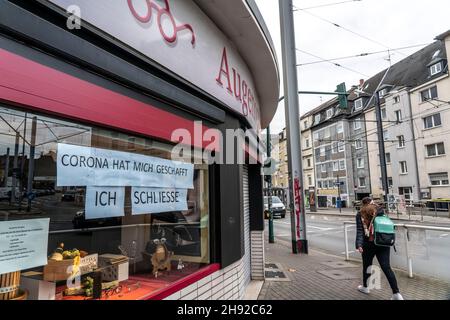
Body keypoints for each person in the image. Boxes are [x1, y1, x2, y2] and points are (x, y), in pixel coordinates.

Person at [355, 197, 404, 300]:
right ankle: (397, 294)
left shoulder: (360, 213)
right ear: (372, 203)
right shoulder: (381, 211)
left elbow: (360, 231)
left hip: (368, 244)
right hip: (383, 242)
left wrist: (359, 244)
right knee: (386, 267)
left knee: (367, 266)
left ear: (363, 204)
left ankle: (365, 287)